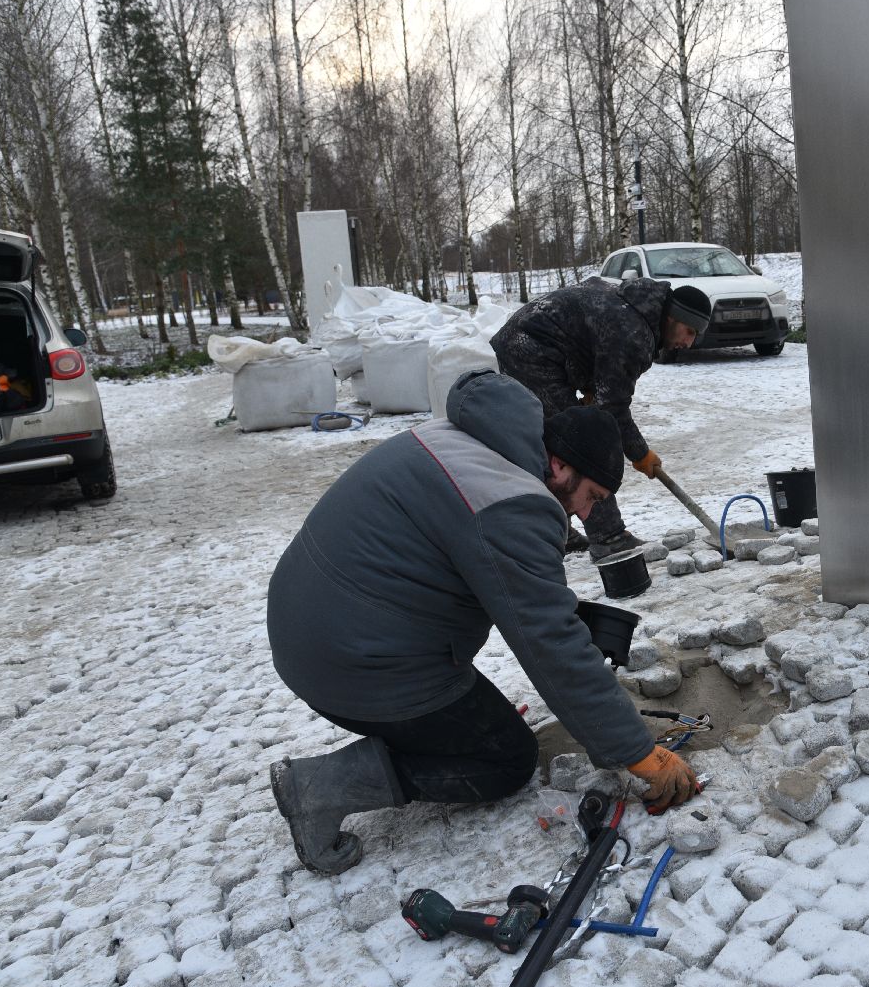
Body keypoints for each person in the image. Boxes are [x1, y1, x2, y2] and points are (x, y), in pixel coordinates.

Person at [265, 370, 699, 875]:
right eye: (593, 497)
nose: (585, 515)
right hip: (354, 660)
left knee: (472, 717)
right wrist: (638, 752)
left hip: (321, 626)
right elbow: (549, 645)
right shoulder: (510, 503)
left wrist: (561, 612)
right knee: (504, 759)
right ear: (558, 465)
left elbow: (485, 577)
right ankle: (321, 786)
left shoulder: (461, 441)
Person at [490, 276, 713, 559]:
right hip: (533, 351)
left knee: (549, 445)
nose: (689, 343)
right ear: (672, 318)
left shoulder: (635, 307)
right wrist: (640, 453)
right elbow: (614, 409)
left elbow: (593, 342)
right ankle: (609, 536)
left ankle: (556, 526)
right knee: (577, 447)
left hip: (527, 341)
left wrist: (592, 389)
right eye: (689, 331)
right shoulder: (634, 332)